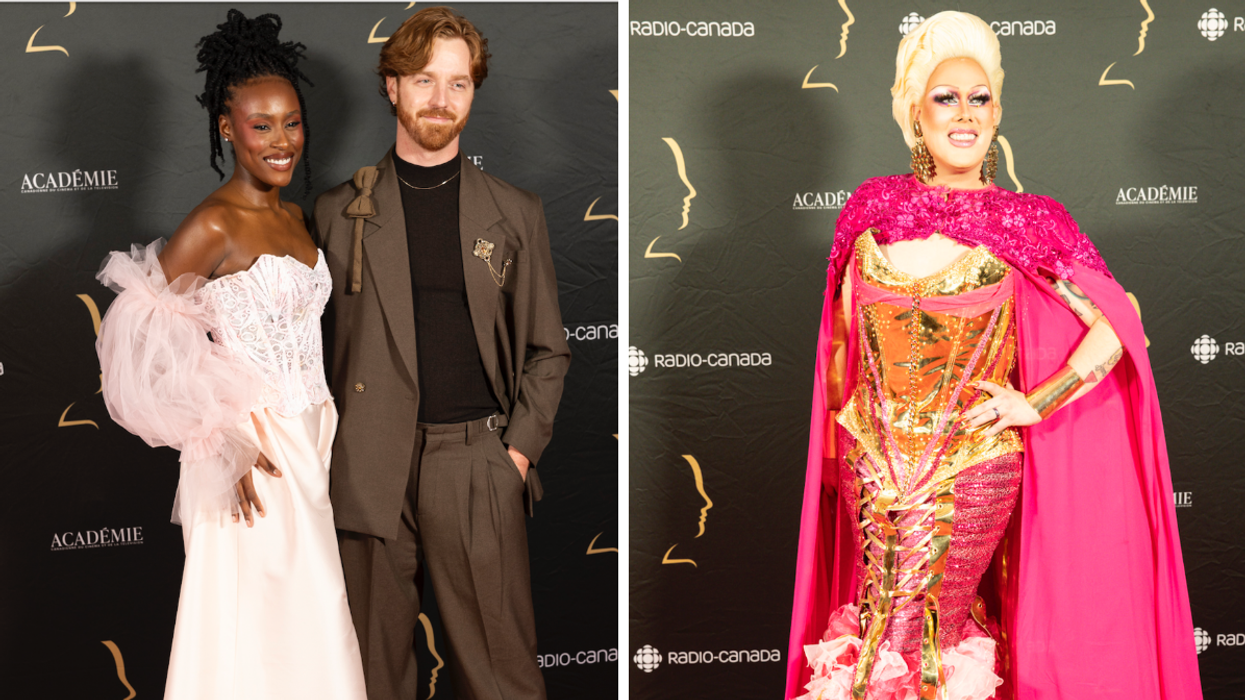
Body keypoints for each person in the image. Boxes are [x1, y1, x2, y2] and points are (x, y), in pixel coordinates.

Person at [784, 12, 1201, 700]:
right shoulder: (869, 208)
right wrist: (837, 447)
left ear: (997, 114)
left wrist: (1034, 401)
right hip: (870, 460)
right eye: (945, 97)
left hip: (970, 463)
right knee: (875, 624)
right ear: (914, 111)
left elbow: (1118, 320)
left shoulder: (1027, 220)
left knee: (919, 636)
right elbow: (838, 341)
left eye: (979, 99)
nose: (964, 114)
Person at [93, 10, 366, 700]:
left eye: (292, 122)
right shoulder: (213, 223)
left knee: (309, 632)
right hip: (257, 455)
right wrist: (216, 438)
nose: (283, 142)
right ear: (226, 127)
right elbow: (136, 339)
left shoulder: (297, 218)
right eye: (261, 125)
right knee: (250, 637)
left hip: (314, 442)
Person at [311, 7, 571, 700]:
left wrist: (512, 456)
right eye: (424, 80)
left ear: (473, 93)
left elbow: (549, 350)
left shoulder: (516, 212)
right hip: (367, 470)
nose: (440, 99)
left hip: (476, 463)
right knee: (372, 676)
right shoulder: (335, 213)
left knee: (501, 677)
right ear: (391, 86)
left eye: (458, 84)